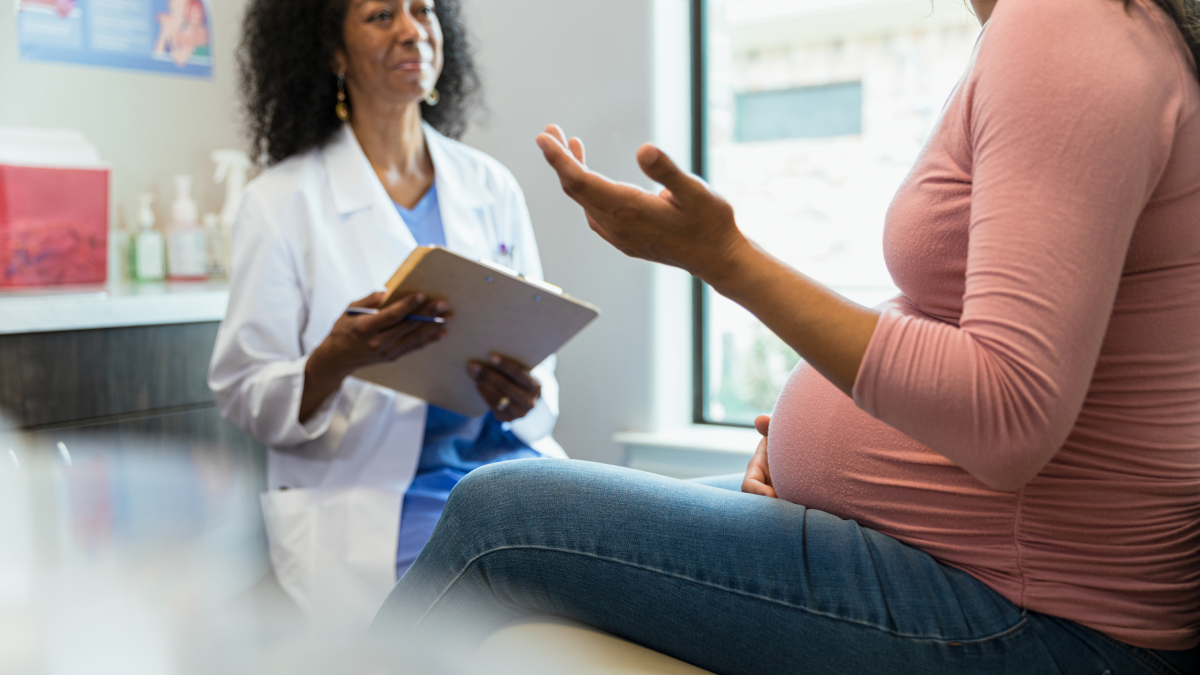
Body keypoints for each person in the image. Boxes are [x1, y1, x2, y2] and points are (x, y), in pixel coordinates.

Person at [373, 0, 1200, 671]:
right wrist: (827, 444)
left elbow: (1010, 413)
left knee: (500, 511)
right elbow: (979, 341)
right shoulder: (1060, 29)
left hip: (1039, 624)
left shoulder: (1068, 25)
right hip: (1002, 576)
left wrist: (721, 260)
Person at [208, 0, 564, 626]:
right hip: (383, 500)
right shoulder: (280, 203)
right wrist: (335, 360)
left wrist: (524, 395)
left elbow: (539, 354)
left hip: (508, 476)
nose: (411, 29)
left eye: (422, 10)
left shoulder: (491, 186)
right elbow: (244, 390)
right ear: (332, 51)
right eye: (380, 16)